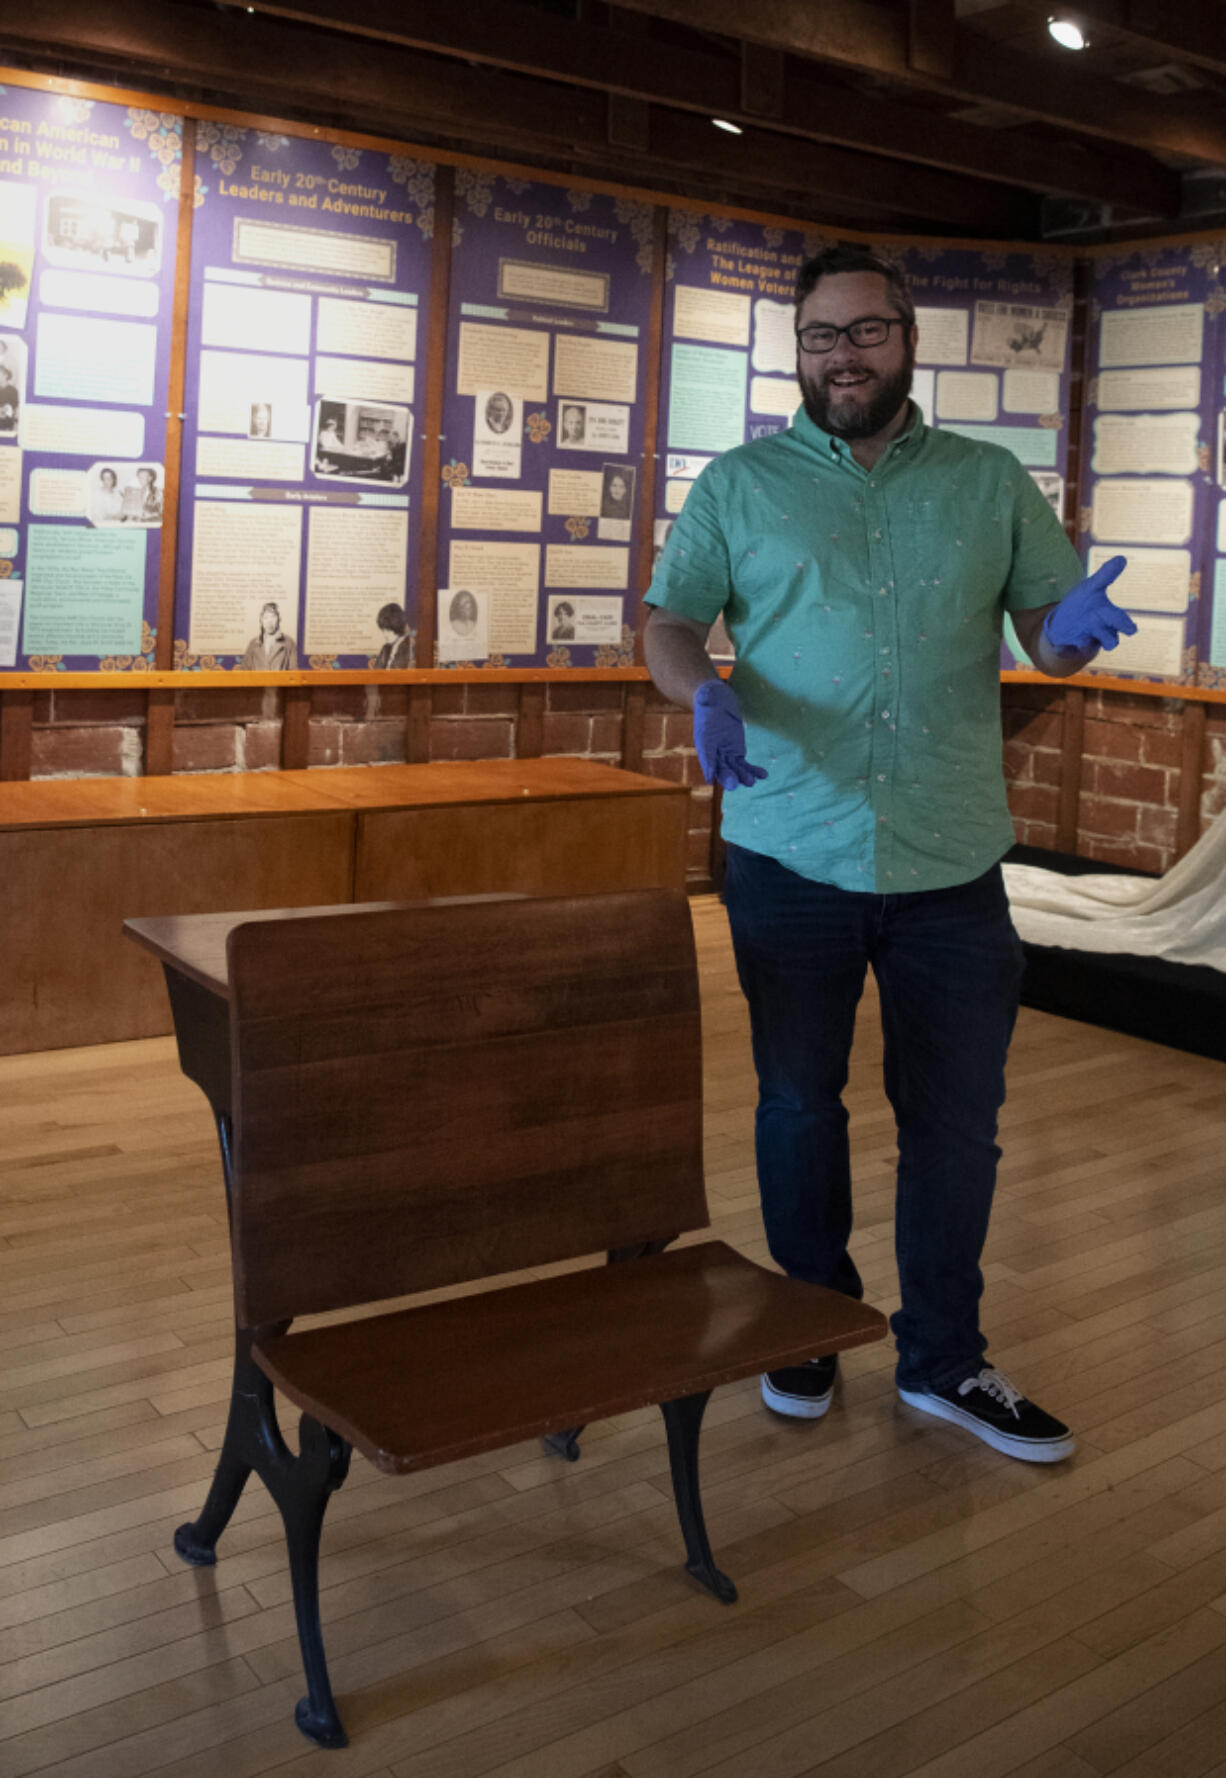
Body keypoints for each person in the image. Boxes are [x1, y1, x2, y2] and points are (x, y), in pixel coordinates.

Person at [645, 244, 1137, 1466]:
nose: (842, 354)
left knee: (955, 1124)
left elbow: (1044, 632)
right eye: (820, 335)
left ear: (905, 338)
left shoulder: (986, 481)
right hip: (787, 852)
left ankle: (942, 1358)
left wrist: (1067, 636)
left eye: (864, 331)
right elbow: (665, 617)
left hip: (949, 863)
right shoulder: (741, 484)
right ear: (797, 349)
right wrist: (695, 689)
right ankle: (806, 1326)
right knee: (797, 1103)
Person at [240, 601, 298, 669]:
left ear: (279, 619)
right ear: (261, 621)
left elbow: (294, 673)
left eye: (273, 616)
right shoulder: (253, 644)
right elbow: (244, 671)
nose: (269, 621)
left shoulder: (289, 643)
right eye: (266, 617)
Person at [374, 602, 412, 668]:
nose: (385, 635)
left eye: (388, 630)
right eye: (383, 630)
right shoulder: (385, 648)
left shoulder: (408, 647)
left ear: (396, 626)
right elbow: (376, 673)